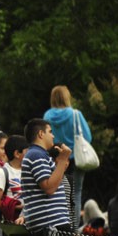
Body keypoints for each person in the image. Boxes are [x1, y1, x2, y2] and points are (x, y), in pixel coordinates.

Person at [43, 85, 94, 227]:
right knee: (76, 193)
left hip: (57, 159)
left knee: (58, 193)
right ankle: (74, 230)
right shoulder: (75, 114)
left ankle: (59, 226)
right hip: (76, 159)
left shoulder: (47, 116)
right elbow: (88, 137)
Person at [0, 135, 29, 224]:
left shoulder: (28, 171)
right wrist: (16, 206)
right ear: (17, 154)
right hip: (10, 222)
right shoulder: (2, 173)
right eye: (27, 152)